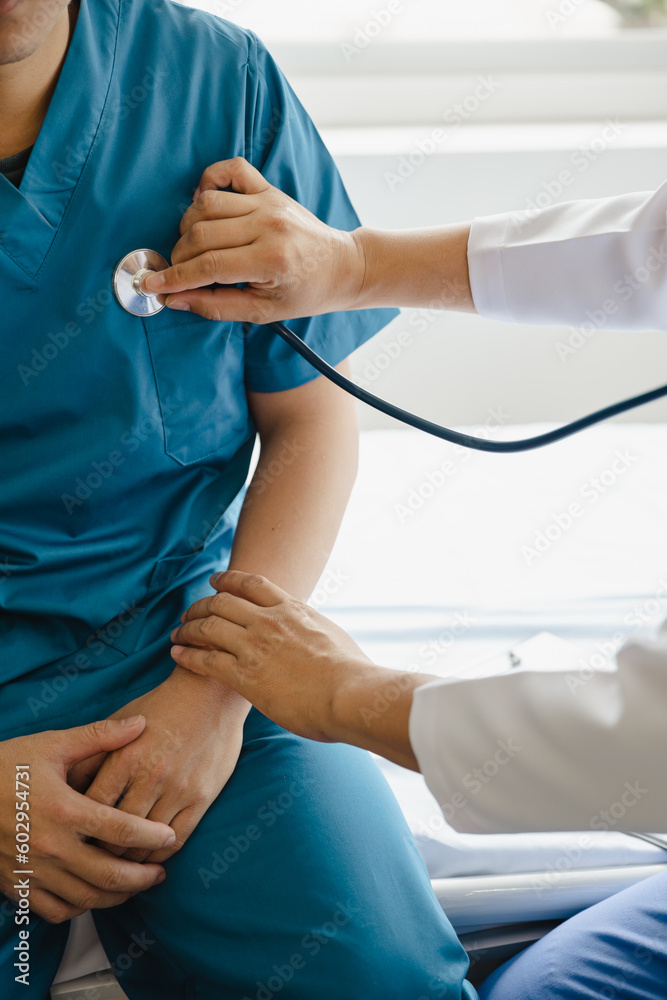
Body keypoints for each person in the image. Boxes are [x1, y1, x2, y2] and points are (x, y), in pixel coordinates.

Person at [0, 3, 478, 999]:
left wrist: (218, 690)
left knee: (376, 976)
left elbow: (307, 422)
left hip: (183, 636)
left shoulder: (211, 80)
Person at [161, 159, 667, 999]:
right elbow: (648, 249)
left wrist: (349, 695)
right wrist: (357, 266)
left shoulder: (218, 76)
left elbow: (645, 739)